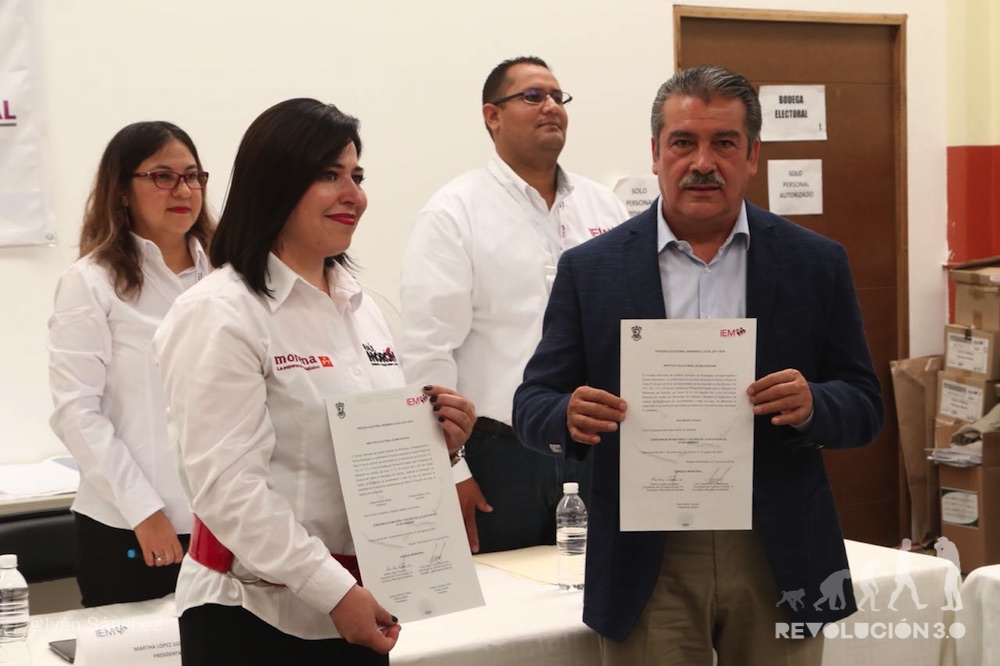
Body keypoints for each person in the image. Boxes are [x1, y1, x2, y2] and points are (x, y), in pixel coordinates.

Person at [512, 65, 884, 665]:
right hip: (644, 556)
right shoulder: (592, 270)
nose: (702, 162)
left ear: (753, 154)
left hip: (777, 548)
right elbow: (532, 404)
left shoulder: (816, 263)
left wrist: (815, 404)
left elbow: (865, 405)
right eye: (683, 142)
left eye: (724, 143)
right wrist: (567, 415)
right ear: (656, 152)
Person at [153, 98, 475, 664]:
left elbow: (365, 456)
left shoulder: (362, 308)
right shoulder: (219, 312)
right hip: (253, 617)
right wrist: (333, 591)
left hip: (363, 605)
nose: (354, 195)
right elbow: (229, 490)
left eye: (357, 176)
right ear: (275, 184)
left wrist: (437, 442)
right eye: (329, 175)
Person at [398, 56, 627, 554]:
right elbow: (426, 353)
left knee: (598, 592)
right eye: (533, 96)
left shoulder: (603, 206)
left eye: (557, 97)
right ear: (492, 115)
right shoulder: (454, 213)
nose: (551, 107)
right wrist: (449, 470)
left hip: (595, 446)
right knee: (501, 594)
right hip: (497, 456)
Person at [48, 121, 213, 607]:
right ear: (122, 191)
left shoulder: (228, 275)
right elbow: (76, 412)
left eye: (192, 176)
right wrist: (144, 510)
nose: (183, 190)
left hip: (225, 524)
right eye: (162, 176)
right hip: (131, 526)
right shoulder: (91, 282)